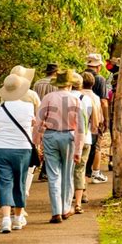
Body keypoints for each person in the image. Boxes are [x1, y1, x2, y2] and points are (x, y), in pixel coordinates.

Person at [33, 69, 84, 223]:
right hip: (68, 136)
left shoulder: (48, 97)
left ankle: (56, 211)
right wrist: (78, 149)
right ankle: (65, 208)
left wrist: (36, 142)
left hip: (50, 135)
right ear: (70, 84)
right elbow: (81, 127)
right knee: (68, 173)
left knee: (53, 174)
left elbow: (38, 120)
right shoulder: (76, 100)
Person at [0, 74, 34, 233]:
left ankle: (5, 219)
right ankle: (17, 218)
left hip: (2, 147)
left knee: (4, 183)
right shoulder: (28, 107)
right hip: (23, 148)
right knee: (20, 182)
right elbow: (32, 123)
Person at [10, 65, 40, 219]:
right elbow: (38, 117)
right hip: (27, 137)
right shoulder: (32, 95)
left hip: (8, 137)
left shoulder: (5, 94)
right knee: (28, 170)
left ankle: (12, 201)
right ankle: (21, 201)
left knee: (12, 171)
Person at [84, 54, 109, 183]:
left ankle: (82, 172)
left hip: (79, 115)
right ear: (98, 66)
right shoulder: (100, 79)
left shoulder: (79, 77)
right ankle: (95, 172)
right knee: (97, 145)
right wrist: (106, 119)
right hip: (95, 116)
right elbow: (104, 101)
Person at [70, 72, 92, 213]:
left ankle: (65, 202)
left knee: (66, 170)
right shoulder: (87, 99)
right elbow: (92, 119)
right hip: (85, 137)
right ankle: (78, 202)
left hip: (68, 137)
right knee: (80, 170)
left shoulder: (64, 97)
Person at [33, 63, 58, 182]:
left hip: (38, 114)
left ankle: (36, 169)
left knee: (39, 143)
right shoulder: (56, 84)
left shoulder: (37, 83)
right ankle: (44, 171)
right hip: (51, 116)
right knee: (49, 145)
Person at [80, 72, 107, 184]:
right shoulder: (95, 97)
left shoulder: (75, 95)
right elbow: (97, 115)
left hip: (76, 130)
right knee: (94, 151)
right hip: (91, 131)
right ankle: (93, 173)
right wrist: (104, 120)